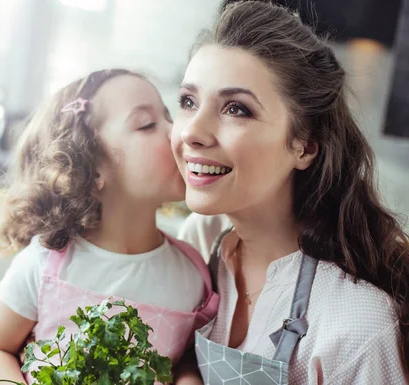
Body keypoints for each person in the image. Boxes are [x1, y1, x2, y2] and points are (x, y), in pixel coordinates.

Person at [171, 2, 409, 384]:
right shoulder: (199, 244)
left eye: (236, 109)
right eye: (188, 102)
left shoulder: (357, 325)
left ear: (305, 146)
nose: (191, 132)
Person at [0, 69, 219, 384]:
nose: (177, 133)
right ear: (89, 169)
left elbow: (183, 359)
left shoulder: (193, 274)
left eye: (170, 117)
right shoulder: (47, 264)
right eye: (147, 125)